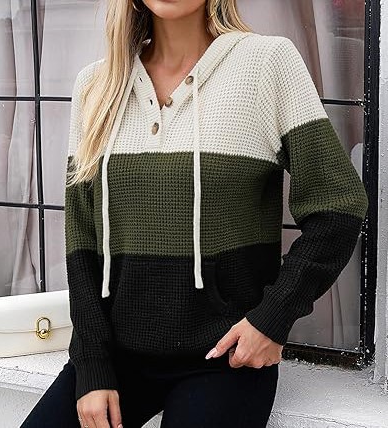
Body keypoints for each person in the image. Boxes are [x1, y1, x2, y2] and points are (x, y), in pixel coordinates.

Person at [20, 0, 369, 427]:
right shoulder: (97, 85)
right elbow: (82, 240)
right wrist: (91, 364)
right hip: (118, 354)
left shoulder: (266, 63)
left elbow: (338, 203)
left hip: (225, 358)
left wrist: (273, 318)